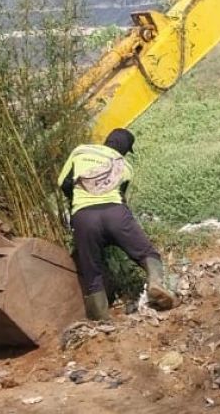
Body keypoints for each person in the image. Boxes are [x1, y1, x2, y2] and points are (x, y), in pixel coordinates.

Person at [57, 128, 176, 320]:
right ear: (125, 149)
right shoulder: (125, 167)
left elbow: (63, 183)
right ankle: (155, 283)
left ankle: (102, 319)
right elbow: (121, 197)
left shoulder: (80, 151)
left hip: (84, 217)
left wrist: (77, 206)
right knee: (147, 253)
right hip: (116, 214)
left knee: (91, 270)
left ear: (107, 140)